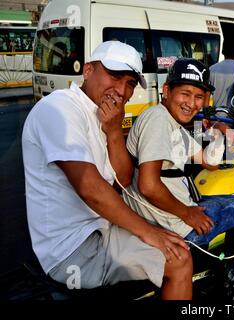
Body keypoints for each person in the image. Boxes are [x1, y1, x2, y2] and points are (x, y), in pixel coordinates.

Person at [22, 41, 193, 299]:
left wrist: (114, 130)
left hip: (100, 227)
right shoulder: (59, 108)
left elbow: (122, 180)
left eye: (130, 84)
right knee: (179, 258)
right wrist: (149, 233)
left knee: (173, 240)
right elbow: (90, 188)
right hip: (73, 247)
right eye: (114, 76)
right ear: (88, 71)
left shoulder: (101, 114)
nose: (122, 91)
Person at [122, 58, 234, 300]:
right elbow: (148, 185)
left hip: (165, 214)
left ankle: (228, 265)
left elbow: (209, 163)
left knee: (219, 198)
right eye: (186, 94)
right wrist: (187, 213)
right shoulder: (158, 119)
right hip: (173, 222)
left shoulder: (173, 125)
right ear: (167, 91)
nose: (192, 103)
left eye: (199, 97)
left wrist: (219, 134)